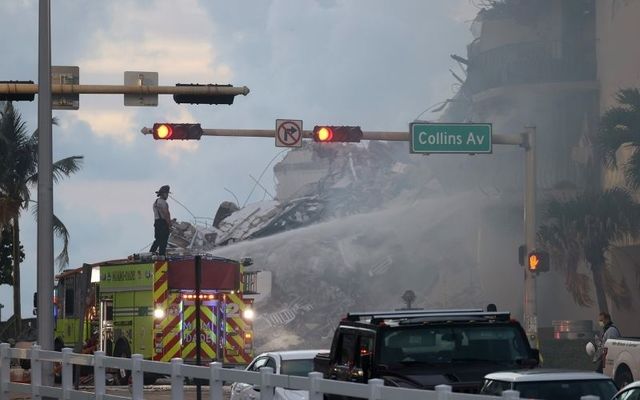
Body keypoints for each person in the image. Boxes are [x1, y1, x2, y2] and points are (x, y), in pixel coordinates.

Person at [150, 185, 172, 256]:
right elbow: (166, 214)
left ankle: (151, 254)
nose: (167, 195)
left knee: (158, 240)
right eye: (167, 193)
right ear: (163, 193)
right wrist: (169, 225)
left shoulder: (155, 202)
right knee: (163, 241)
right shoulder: (163, 203)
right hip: (163, 224)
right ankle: (162, 256)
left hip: (157, 223)